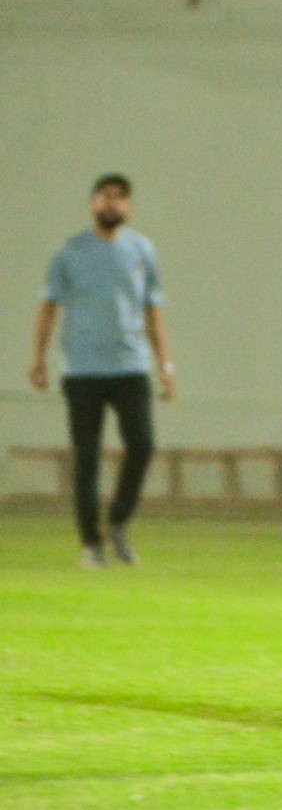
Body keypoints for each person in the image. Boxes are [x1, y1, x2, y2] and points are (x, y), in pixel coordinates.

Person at [29, 173, 176, 570]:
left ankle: (117, 521)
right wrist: (38, 359)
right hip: (83, 370)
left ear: (128, 206)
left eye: (119, 198)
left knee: (142, 445)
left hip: (130, 366)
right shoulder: (70, 252)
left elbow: (153, 311)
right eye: (105, 197)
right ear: (92, 203)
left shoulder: (141, 250)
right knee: (87, 457)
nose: (112, 204)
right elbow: (48, 306)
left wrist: (166, 365)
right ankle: (90, 544)